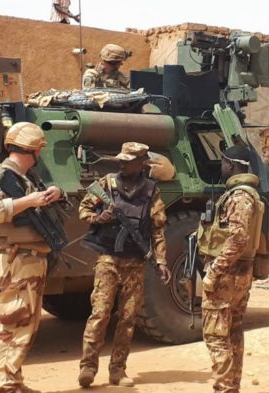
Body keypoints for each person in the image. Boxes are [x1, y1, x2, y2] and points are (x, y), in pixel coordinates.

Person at [77, 142, 171, 388]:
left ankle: (117, 370)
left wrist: (160, 260)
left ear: (141, 163)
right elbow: (83, 209)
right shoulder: (107, 184)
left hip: (135, 262)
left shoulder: (151, 192)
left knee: (128, 318)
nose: (122, 163)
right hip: (108, 257)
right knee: (99, 313)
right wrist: (99, 217)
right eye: (121, 159)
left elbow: (157, 230)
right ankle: (88, 366)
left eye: (128, 160)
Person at [0, 122, 65, 393]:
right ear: (33, 150)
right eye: (39, 150)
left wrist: (52, 194)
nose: (40, 154)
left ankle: (13, 381)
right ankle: (5, 386)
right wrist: (29, 201)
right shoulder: (0, 175)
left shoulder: (25, 178)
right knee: (15, 323)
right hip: (17, 260)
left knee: (27, 325)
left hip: (33, 258)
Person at [197, 145, 265, 393]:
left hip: (227, 274)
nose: (221, 165)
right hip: (240, 273)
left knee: (216, 335)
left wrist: (214, 270)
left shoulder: (239, 197)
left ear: (234, 165)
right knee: (234, 331)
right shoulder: (246, 195)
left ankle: (224, 388)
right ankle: (231, 386)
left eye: (224, 161)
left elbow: (238, 238)